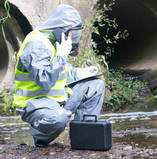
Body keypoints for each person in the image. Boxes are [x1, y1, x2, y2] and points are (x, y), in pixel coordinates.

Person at [13, 4, 105, 147]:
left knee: (95, 85)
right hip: (35, 105)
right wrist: (62, 55)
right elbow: (45, 80)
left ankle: (83, 137)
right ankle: (40, 135)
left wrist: (86, 73)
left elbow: (62, 73)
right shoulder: (36, 44)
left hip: (56, 101)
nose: (73, 38)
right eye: (71, 33)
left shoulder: (53, 42)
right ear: (59, 29)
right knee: (58, 118)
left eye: (75, 34)